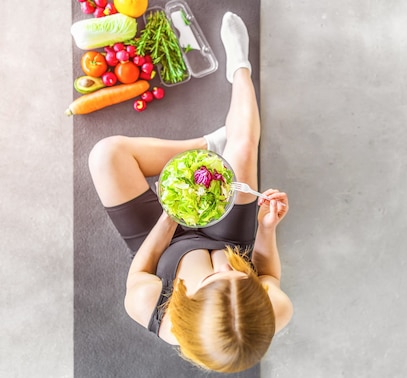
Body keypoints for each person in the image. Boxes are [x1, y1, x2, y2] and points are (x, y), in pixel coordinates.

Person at [88, 12, 293, 373]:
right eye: (240, 278)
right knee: (243, 148)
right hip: (232, 237)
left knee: (106, 155)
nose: (227, 271)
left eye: (212, 280)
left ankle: (212, 145)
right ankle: (239, 69)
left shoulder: (152, 310)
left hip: (165, 243)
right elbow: (269, 276)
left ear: (187, 307)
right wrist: (266, 229)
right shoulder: (276, 310)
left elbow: (140, 271)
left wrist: (169, 218)